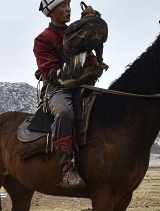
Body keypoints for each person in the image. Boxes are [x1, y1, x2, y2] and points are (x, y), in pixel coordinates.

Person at [35, 0, 99, 189]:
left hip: (84, 87)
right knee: (64, 113)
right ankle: (67, 169)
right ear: (51, 11)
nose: (68, 8)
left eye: (69, 4)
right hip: (58, 89)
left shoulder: (79, 33)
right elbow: (51, 72)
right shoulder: (43, 39)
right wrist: (76, 72)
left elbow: (91, 58)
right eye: (63, 5)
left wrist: (94, 68)